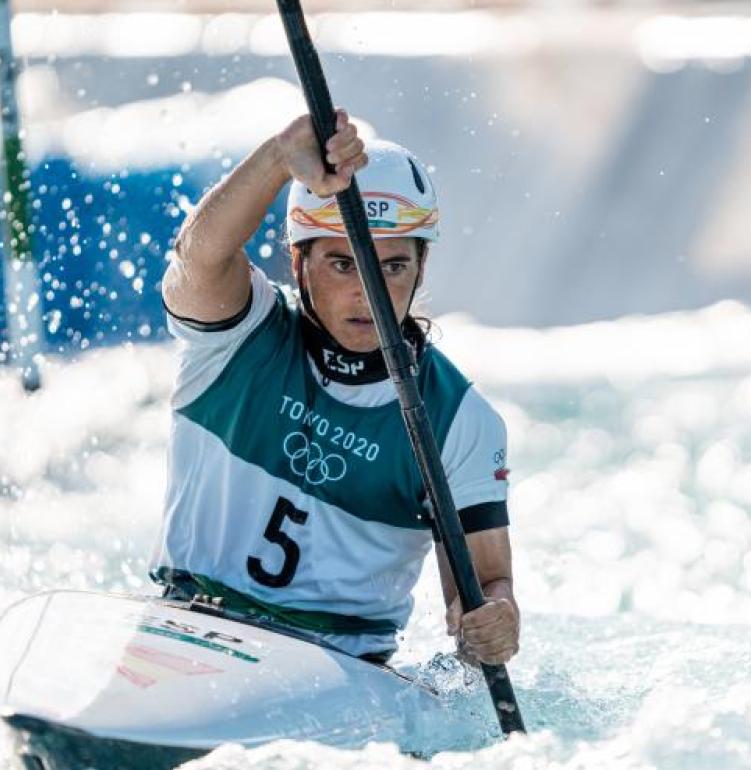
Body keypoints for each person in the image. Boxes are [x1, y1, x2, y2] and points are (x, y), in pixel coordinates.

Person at [151, 109, 519, 667]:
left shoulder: (459, 420)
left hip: (342, 666)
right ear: (298, 261)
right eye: (344, 264)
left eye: (393, 267)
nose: (368, 292)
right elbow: (198, 258)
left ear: (421, 269)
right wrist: (278, 157)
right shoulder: (237, 336)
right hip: (186, 623)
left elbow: (486, 586)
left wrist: (494, 620)